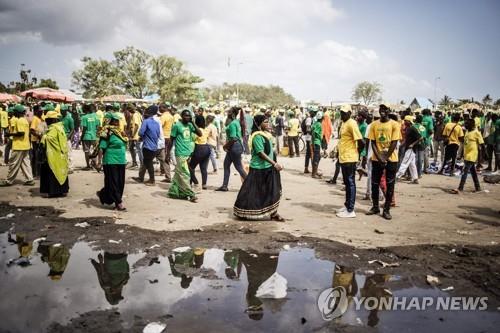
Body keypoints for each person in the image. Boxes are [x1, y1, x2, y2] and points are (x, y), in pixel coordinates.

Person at [234, 115, 284, 221]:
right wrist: (274, 163)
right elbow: (260, 153)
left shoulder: (267, 135)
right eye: (265, 122)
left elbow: (271, 151)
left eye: (268, 122)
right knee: (250, 192)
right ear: (258, 124)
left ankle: (273, 213)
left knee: (272, 190)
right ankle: (242, 211)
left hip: (269, 167)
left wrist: (275, 163)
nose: (268, 124)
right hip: (258, 168)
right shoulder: (257, 136)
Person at [366, 104, 401, 220]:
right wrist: (379, 157)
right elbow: (373, 142)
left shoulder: (395, 124)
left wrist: (385, 157)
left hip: (391, 159)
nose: (382, 111)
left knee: (390, 184)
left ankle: (386, 210)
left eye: (385, 109)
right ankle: (375, 206)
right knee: (375, 184)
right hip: (377, 158)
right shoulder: (374, 125)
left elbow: (394, 142)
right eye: (381, 109)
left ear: (388, 111)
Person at [336, 105, 364, 218]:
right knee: (347, 183)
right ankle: (347, 205)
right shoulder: (344, 123)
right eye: (341, 112)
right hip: (344, 157)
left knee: (350, 182)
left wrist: (357, 153)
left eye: (344, 113)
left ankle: (351, 210)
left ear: (349, 113)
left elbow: (361, 142)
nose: (342, 115)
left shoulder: (352, 123)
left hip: (350, 157)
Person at [168, 109, 202, 202]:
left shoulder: (190, 125)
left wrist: (193, 122)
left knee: (179, 173)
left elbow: (200, 134)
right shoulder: (177, 126)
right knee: (185, 174)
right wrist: (168, 153)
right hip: (180, 153)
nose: (187, 117)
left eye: (189, 116)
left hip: (189, 153)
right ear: (182, 116)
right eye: (186, 116)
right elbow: (171, 140)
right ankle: (191, 194)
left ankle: (174, 192)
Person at [96, 113, 128, 211]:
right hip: (110, 160)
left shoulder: (120, 132)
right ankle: (119, 202)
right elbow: (101, 148)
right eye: (115, 120)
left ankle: (103, 194)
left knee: (120, 183)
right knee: (113, 182)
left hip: (121, 160)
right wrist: (99, 162)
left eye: (118, 120)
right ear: (110, 121)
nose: (117, 122)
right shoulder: (107, 132)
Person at [0, 104, 34, 187]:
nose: (13, 113)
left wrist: (9, 134)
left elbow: (21, 133)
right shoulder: (25, 120)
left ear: (18, 112)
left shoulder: (19, 121)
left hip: (19, 145)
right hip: (25, 145)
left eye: (15, 111)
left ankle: (9, 180)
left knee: (13, 164)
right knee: (25, 163)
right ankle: (30, 179)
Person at [216, 107, 248, 191]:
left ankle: (251, 184)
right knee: (226, 165)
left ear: (233, 114)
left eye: (229, 112)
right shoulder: (237, 122)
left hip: (234, 146)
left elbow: (234, 138)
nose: (227, 113)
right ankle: (224, 186)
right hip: (235, 146)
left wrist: (225, 146)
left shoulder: (233, 123)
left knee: (239, 167)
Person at [39, 111, 69, 198]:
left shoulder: (54, 128)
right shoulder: (60, 127)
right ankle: (61, 191)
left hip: (54, 155)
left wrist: (43, 137)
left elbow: (50, 139)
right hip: (61, 155)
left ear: (54, 119)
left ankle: (53, 191)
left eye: (48, 119)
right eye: (46, 119)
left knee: (52, 171)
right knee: (60, 172)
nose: (46, 121)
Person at [451, 118, 484, 194]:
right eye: (465, 124)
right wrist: (462, 154)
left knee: (464, 171)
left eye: (467, 124)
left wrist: (480, 159)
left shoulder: (477, 133)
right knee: (473, 172)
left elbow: (482, 145)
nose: (465, 125)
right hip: (466, 155)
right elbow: (465, 144)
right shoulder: (467, 132)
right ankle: (478, 187)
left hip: (472, 155)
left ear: (472, 125)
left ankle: (460, 188)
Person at [132, 105, 160, 186]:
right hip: (155, 146)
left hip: (147, 146)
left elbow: (140, 133)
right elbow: (158, 134)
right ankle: (141, 178)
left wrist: (143, 137)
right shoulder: (156, 123)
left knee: (149, 163)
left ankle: (152, 180)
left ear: (148, 113)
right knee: (146, 162)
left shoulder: (146, 121)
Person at [396, 116, 421, 184]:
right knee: (412, 165)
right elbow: (407, 139)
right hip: (408, 148)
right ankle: (415, 179)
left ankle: (397, 176)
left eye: (405, 120)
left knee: (404, 163)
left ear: (409, 121)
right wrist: (401, 145)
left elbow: (420, 138)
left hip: (411, 149)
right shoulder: (408, 128)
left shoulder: (413, 129)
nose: (404, 121)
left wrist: (412, 144)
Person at [189, 115, 211, 191]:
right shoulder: (205, 129)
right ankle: (204, 184)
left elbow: (192, 140)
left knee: (190, 167)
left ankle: (194, 182)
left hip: (199, 148)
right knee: (204, 168)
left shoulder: (196, 131)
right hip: (207, 148)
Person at [80, 104, 99, 170]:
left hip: (86, 136)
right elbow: (98, 127)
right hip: (94, 136)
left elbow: (84, 128)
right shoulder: (96, 116)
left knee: (86, 151)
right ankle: (95, 164)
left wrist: (81, 137)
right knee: (95, 150)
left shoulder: (84, 117)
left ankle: (88, 165)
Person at [160, 103, 175, 182]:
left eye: (160, 108)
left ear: (164, 108)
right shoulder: (171, 116)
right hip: (169, 137)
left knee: (164, 156)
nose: (159, 109)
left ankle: (167, 175)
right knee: (166, 155)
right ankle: (164, 171)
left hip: (164, 138)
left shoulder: (163, 117)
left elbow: (159, 127)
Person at [29, 104, 44, 178]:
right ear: (36, 111)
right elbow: (31, 130)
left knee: (38, 156)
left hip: (40, 140)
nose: (41, 111)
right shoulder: (35, 118)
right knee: (36, 156)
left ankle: (38, 172)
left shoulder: (40, 118)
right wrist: (39, 135)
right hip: (35, 141)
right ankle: (35, 173)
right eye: (40, 110)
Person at [60, 104, 74, 173]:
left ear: (66, 111)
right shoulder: (59, 118)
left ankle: (70, 168)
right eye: (61, 110)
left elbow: (72, 129)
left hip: (66, 137)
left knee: (69, 153)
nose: (61, 112)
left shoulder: (69, 118)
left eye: (62, 111)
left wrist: (69, 137)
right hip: (60, 137)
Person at [311, 111, 323, 179]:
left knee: (318, 157)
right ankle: (314, 174)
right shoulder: (319, 124)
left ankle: (315, 171)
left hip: (316, 142)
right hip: (317, 142)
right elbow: (314, 133)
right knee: (316, 158)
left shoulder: (315, 123)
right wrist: (314, 143)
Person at [302, 108, 314, 173]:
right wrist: (313, 132)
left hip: (308, 138)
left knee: (308, 153)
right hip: (309, 138)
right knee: (312, 153)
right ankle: (314, 169)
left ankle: (306, 168)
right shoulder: (309, 119)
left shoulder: (311, 118)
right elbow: (308, 129)